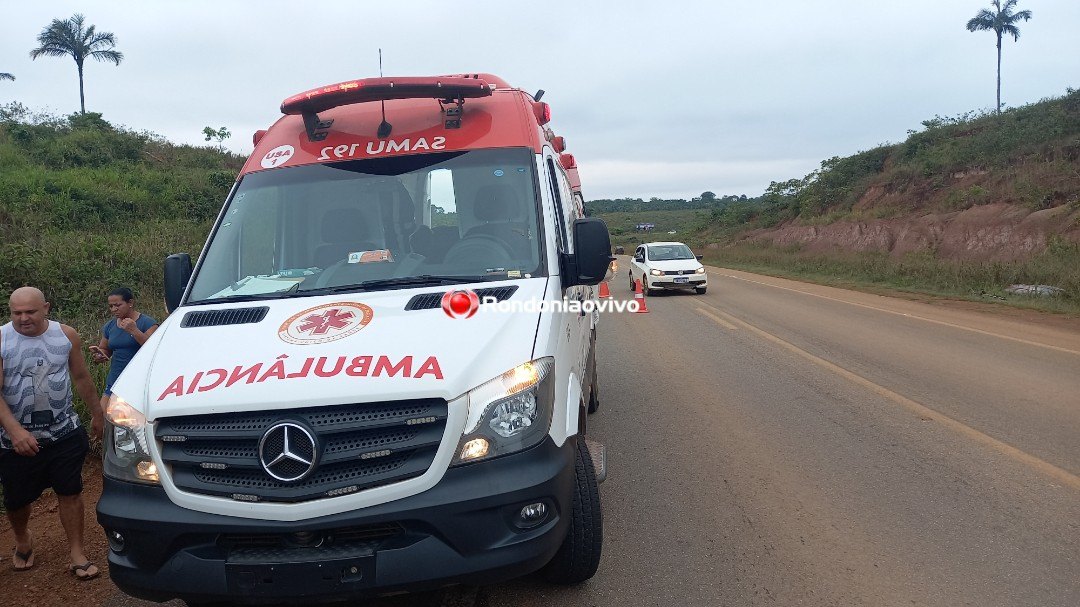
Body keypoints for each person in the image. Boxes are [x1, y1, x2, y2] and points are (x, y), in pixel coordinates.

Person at [0, 286, 103, 579]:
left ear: (46, 307)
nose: (23, 318)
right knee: (17, 500)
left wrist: (97, 413)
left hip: (63, 431)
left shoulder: (66, 335)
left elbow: (81, 377)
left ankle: (77, 553)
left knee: (70, 491)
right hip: (14, 440)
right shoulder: (2, 339)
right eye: (16, 313)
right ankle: (22, 538)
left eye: (30, 311)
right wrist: (16, 431)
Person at [90, 287, 158, 409]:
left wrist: (134, 331)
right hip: (116, 378)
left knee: (132, 420)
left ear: (130, 303)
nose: (114, 309)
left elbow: (154, 349)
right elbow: (105, 348)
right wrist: (100, 355)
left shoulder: (148, 323)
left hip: (140, 380)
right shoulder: (110, 326)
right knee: (101, 419)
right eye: (111, 306)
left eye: (118, 305)